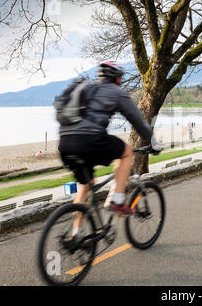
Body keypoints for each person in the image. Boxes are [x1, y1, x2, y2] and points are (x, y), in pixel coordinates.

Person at [58, 61, 162, 234]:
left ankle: (76, 233)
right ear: (118, 78)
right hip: (90, 140)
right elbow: (137, 120)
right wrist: (153, 141)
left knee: (86, 185)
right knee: (127, 152)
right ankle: (118, 201)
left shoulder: (87, 89)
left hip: (65, 142)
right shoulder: (116, 92)